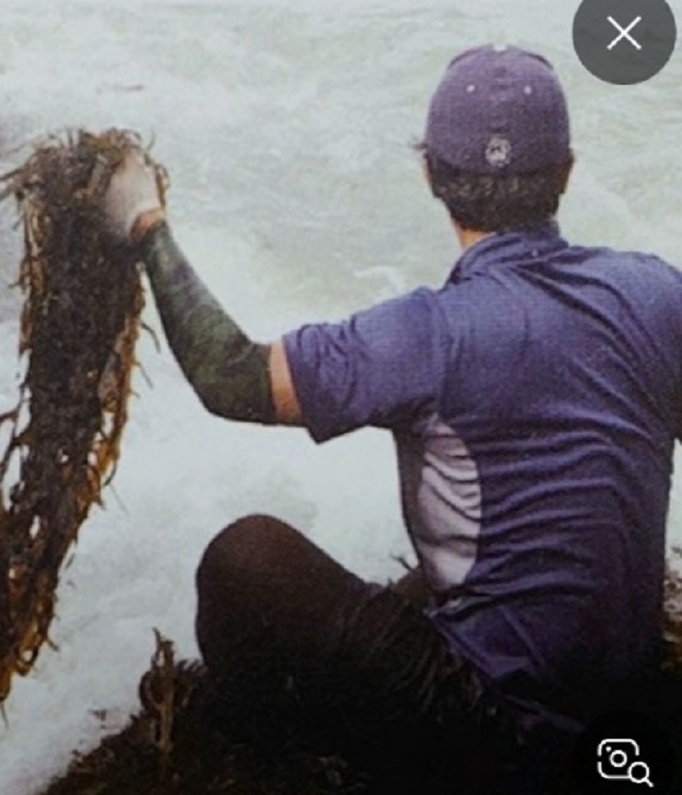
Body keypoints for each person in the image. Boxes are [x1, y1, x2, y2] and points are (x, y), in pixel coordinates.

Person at [100, 45, 682, 793]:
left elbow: (232, 377)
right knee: (433, 580)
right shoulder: (656, 294)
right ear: (566, 172)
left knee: (246, 558)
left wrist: (146, 224)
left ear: (430, 175)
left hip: (498, 732)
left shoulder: (424, 334)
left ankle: (264, 758)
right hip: (627, 707)